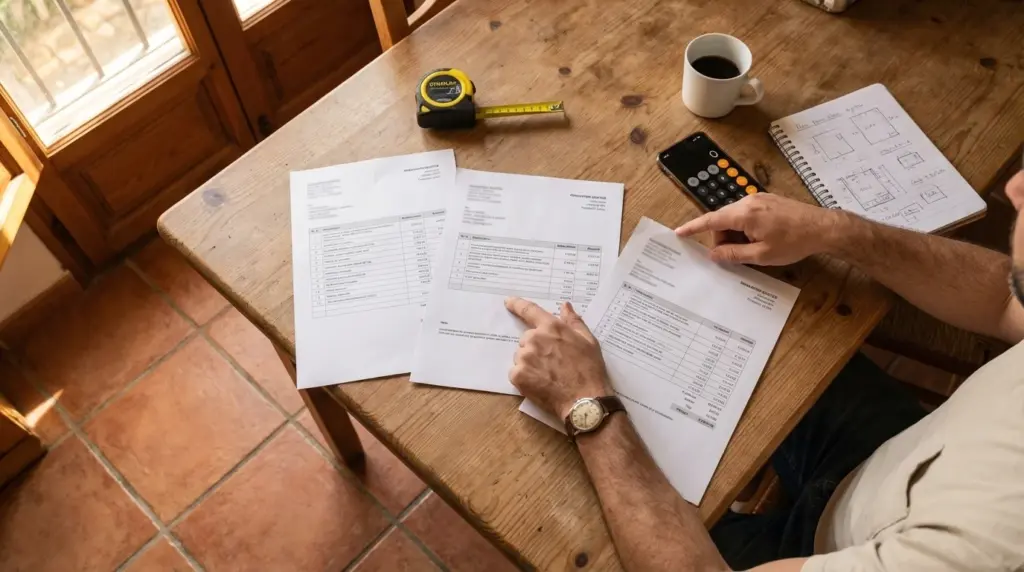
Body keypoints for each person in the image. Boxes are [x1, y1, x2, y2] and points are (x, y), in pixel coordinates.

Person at [504, 169, 1024, 571]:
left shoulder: (986, 546)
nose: (1017, 187)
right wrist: (834, 230)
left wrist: (587, 404)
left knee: (555, 513)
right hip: (895, 458)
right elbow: (1007, 301)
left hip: (826, 547)